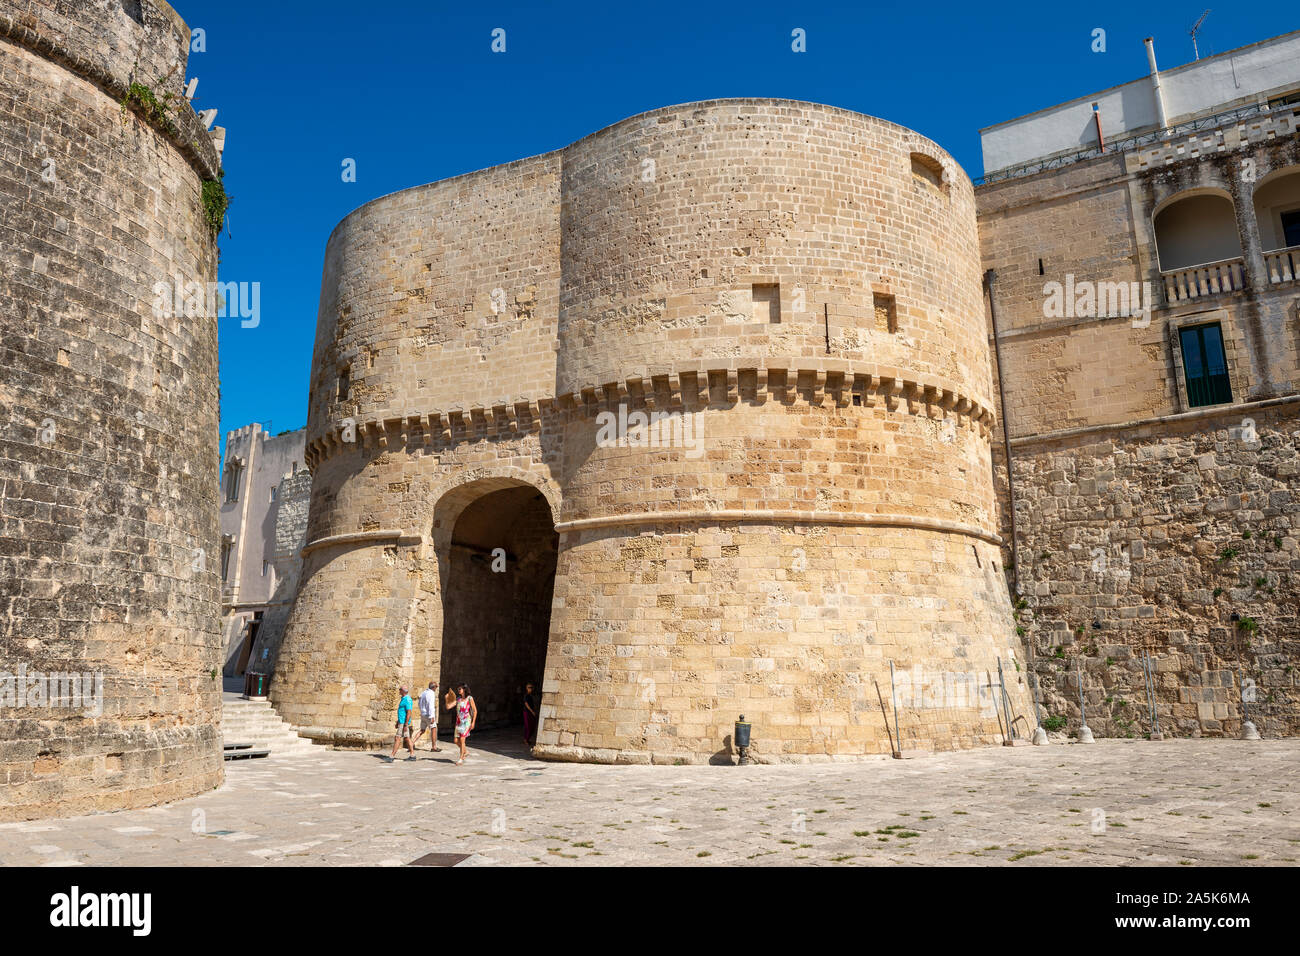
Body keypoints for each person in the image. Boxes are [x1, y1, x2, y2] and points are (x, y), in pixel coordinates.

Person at [445, 683, 476, 765]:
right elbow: (448, 707)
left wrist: (473, 722)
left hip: (466, 722)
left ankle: (461, 758)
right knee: (455, 741)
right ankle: (465, 751)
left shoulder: (470, 698)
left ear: (464, 689)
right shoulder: (458, 699)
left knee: (462, 740)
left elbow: (475, 711)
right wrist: (446, 699)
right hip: (458, 722)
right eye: (458, 689)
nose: (458, 690)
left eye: (460, 689)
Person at [389, 685, 416, 761]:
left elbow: (409, 712)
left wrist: (406, 724)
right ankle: (412, 755)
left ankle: (392, 756)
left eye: (400, 689)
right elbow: (402, 712)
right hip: (402, 722)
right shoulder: (403, 699)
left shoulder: (407, 699)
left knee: (397, 738)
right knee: (407, 738)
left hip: (404, 723)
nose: (399, 691)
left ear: (403, 691)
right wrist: (398, 721)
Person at [413, 680, 442, 752]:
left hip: (423, 714)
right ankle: (434, 747)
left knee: (422, 730)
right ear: (434, 687)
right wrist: (432, 716)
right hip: (429, 715)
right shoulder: (431, 693)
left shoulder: (423, 693)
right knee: (434, 729)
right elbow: (431, 705)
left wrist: (422, 711)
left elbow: (419, 703)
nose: (436, 688)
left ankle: (411, 743)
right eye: (436, 687)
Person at [522, 682, 539, 747]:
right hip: (527, 712)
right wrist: (532, 711)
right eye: (529, 687)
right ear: (526, 688)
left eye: (531, 687)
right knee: (528, 726)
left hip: (531, 712)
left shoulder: (530, 696)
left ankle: (527, 739)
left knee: (532, 726)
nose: (530, 689)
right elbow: (526, 704)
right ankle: (526, 739)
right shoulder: (526, 696)